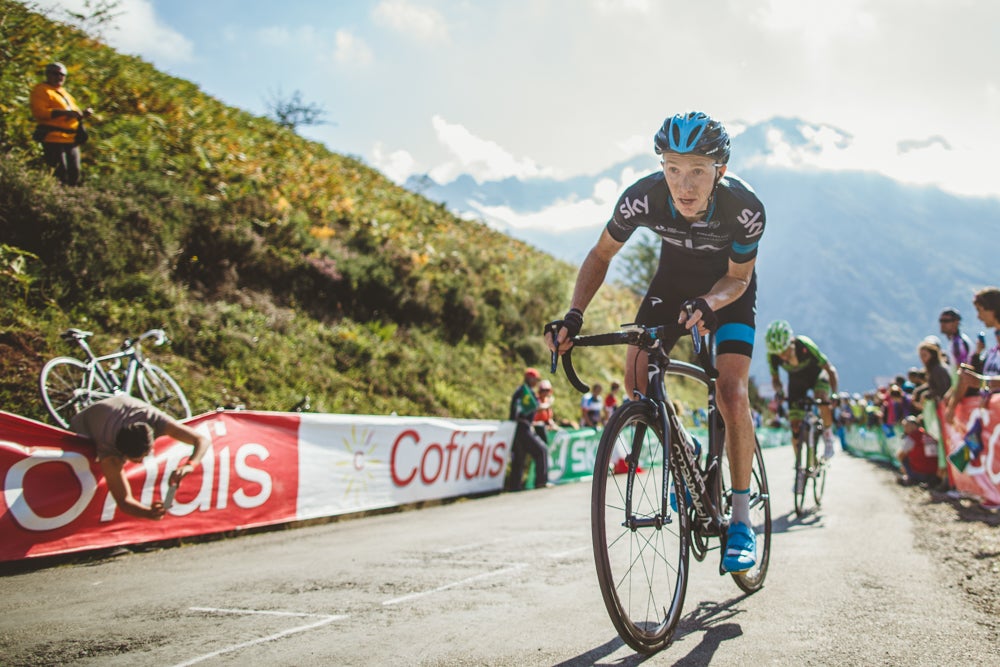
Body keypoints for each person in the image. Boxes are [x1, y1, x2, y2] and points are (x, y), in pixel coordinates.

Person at [546, 111, 764, 574]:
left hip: (728, 289)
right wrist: (573, 315)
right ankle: (681, 448)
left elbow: (740, 277)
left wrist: (709, 302)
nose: (684, 185)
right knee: (637, 384)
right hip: (672, 281)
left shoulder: (744, 209)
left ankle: (741, 519)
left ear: (719, 171)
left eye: (698, 171)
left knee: (730, 390)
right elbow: (601, 254)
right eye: (672, 168)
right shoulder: (642, 199)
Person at [69, 394, 210, 520]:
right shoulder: (109, 451)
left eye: (145, 456)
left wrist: (190, 465)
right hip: (83, 427)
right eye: (135, 460)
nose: (141, 462)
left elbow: (202, 440)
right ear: (121, 454)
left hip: (117, 409)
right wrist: (148, 512)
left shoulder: (154, 419)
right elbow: (123, 501)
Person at [765, 320, 840, 485]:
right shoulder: (773, 355)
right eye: (778, 354)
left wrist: (834, 394)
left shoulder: (804, 344)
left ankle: (828, 436)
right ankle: (799, 468)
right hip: (796, 383)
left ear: (791, 342)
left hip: (817, 377)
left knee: (822, 399)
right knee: (795, 426)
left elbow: (830, 370)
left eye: (784, 351)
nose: (782, 356)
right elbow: (776, 379)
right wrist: (779, 391)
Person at [29, 62, 94, 186]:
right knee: (60, 172)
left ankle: (69, 200)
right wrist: (65, 113)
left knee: (74, 172)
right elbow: (40, 113)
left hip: (71, 140)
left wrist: (82, 114)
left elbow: (73, 114)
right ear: (47, 74)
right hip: (53, 138)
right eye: (55, 74)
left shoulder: (65, 93)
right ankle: (54, 200)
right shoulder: (41, 90)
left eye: (62, 75)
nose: (59, 77)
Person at [507, 367, 549, 491]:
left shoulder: (522, 390)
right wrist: (547, 404)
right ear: (529, 379)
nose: (536, 382)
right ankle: (541, 482)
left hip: (517, 427)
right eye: (535, 379)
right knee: (541, 450)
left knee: (520, 457)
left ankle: (515, 486)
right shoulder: (525, 391)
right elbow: (534, 407)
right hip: (522, 426)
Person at [896, 416, 940, 486]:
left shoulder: (912, 437)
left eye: (906, 426)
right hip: (935, 472)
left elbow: (900, 455)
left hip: (921, 473)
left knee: (903, 457)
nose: (905, 429)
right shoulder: (928, 434)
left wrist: (903, 467)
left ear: (914, 425)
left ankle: (910, 477)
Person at [938, 307, 973, 372]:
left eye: (946, 321)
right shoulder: (955, 341)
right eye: (941, 321)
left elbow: (961, 369)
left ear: (956, 322)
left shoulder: (958, 343)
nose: (942, 324)